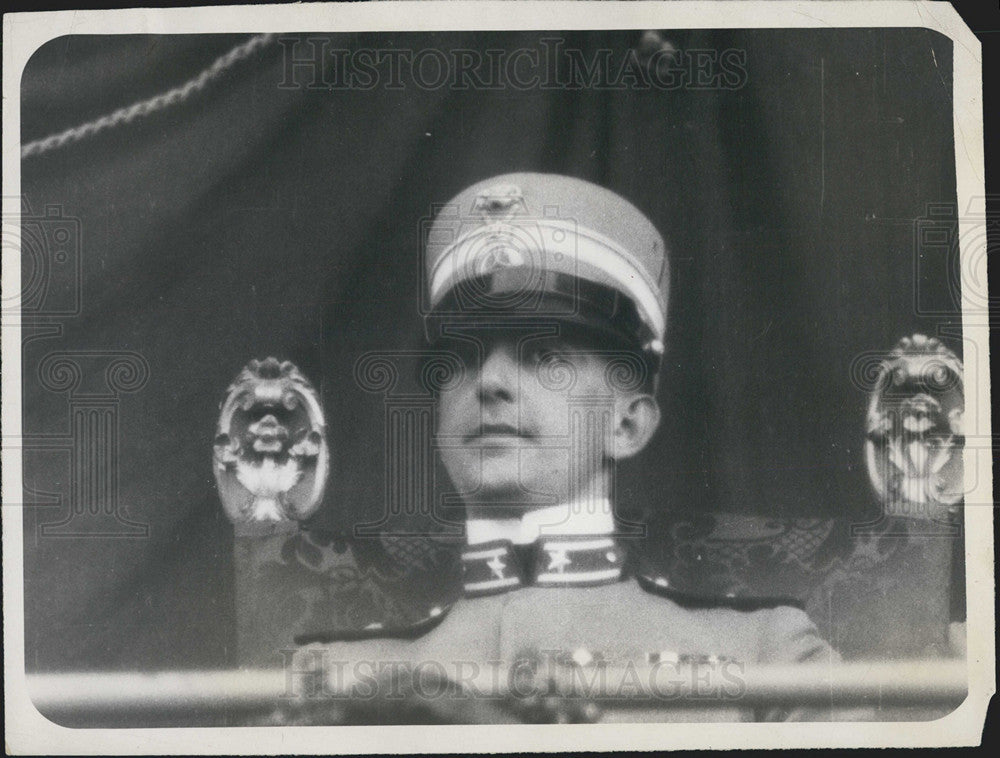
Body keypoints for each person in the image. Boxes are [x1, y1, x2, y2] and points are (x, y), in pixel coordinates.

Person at [277, 173, 844, 723]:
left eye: (545, 359)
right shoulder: (333, 680)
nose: (488, 383)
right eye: (464, 358)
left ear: (627, 425)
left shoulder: (764, 654)